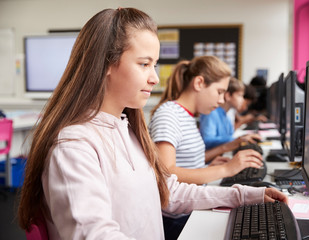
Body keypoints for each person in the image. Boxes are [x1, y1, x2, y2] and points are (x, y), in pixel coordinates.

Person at [17, 8, 287, 240]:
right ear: (105, 65)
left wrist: (243, 195)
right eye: (144, 64)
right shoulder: (73, 147)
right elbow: (96, 234)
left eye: (154, 65)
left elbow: (167, 192)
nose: (155, 78)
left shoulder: (128, 130)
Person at [148, 56, 268, 239]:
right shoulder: (169, 115)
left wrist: (207, 167)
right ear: (199, 83)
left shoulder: (186, 115)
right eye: (219, 91)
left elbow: (183, 161)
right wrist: (225, 169)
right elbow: (167, 171)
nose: (221, 100)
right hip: (174, 218)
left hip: (189, 207)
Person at [199, 77, 262, 150]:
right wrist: (237, 140)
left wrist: (242, 138)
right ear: (228, 96)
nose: (242, 100)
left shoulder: (226, 115)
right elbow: (207, 140)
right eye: (239, 95)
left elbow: (230, 135)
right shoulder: (211, 113)